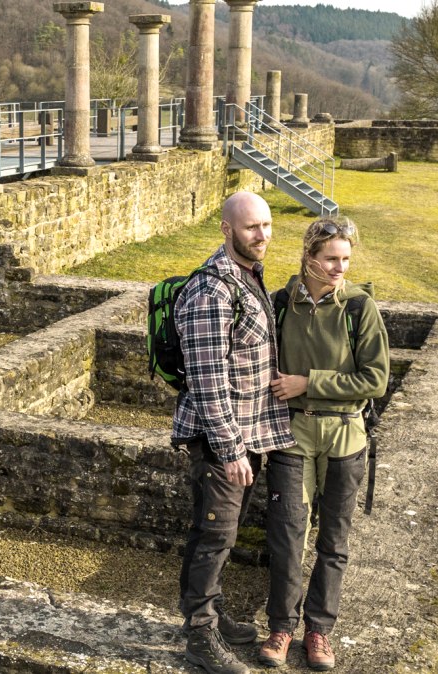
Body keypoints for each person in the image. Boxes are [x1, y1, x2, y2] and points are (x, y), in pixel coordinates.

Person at [258, 218, 389, 671]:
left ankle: (319, 631)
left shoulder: (359, 307)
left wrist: (306, 382)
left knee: (333, 539)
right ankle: (281, 626)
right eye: (332, 258)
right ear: (309, 256)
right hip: (291, 436)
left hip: (345, 436)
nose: (340, 267)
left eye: (346, 259)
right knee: (288, 535)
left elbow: (375, 379)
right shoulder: (279, 303)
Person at [173, 191, 296, 674]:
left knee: (217, 533)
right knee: (214, 535)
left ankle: (212, 613)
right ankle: (200, 637)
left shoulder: (247, 276)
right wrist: (229, 449)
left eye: (266, 225)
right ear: (226, 229)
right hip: (221, 442)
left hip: (247, 435)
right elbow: (207, 379)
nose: (262, 236)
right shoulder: (212, 290)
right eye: (251, 228)